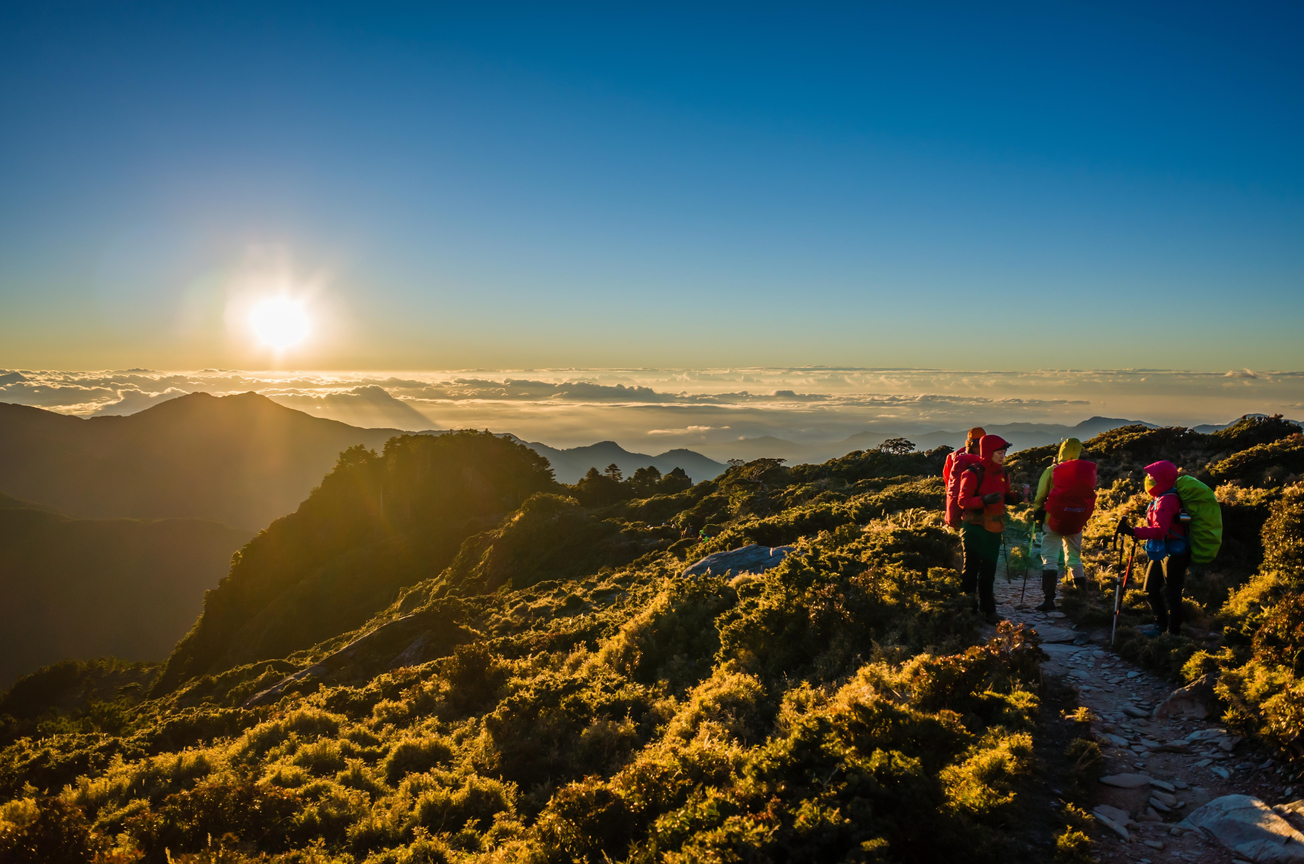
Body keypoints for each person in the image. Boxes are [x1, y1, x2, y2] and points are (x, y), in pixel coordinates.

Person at [1116, 460, 1190, 636]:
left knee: (1172, 593)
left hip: (1175, 553)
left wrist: (1133, 531)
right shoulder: (1161, 497)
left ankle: (1173, 633)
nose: (1149, 479)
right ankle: (1160, 626)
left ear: (1163, 479)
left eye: (1152, 476)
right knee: (1151, 588)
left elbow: (1159, 531)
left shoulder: (1167, 500)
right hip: (1164, 550)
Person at [957, 434, 1021, 623]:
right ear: (988, 452)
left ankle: (988, 610)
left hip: (994, 527)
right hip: (974, 527)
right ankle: (969, 609)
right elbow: (963, 501)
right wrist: (983, 500)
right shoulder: (972, 472)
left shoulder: (1003, 473)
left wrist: (1019, 498)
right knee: (971, 570)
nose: (1002, 456)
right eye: (999, 453)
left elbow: (1005, 496)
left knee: (989, 570)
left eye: (1004, 453)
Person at [1029, 437, 1097, 611]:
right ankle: (1081, 598)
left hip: (1052, 520)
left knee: (1050, 559)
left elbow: (1040, 496)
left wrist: (1037, 511)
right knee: (1074, 559)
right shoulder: (1084, 472)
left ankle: (1049, 600)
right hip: (1076, 521)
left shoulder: (1052, 470)